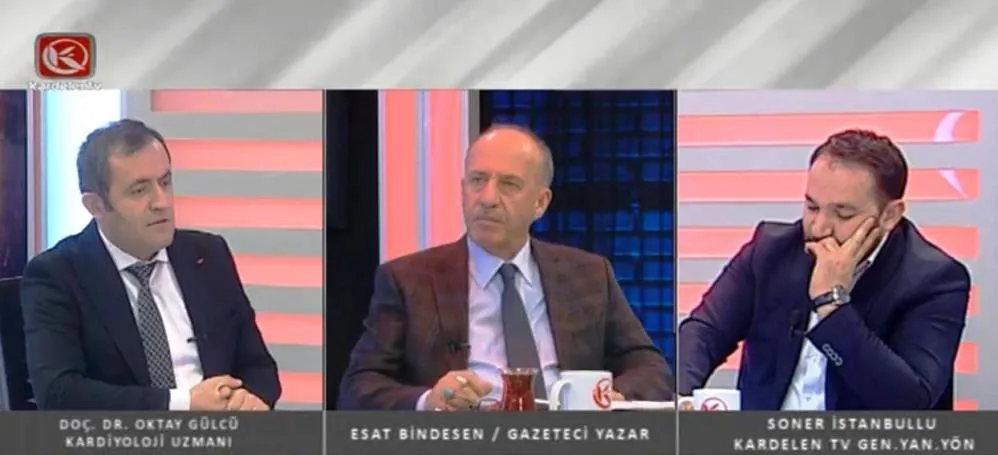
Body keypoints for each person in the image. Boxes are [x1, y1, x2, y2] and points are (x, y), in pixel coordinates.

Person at [339, 124, 673, 410]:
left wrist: (609, 398)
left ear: (540, 203)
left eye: (508, 184)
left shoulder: (589, 275)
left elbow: (651, 368)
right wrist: (429, 401)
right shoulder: (407, 280)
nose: (487, 198)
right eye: (477, 180)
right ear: (462, 189)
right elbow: (358, 387)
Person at [677, 129, 971, 410]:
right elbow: (705, 331)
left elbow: (909, 402)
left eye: (843, 214)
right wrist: (676, 396)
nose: (818, 228)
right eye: (812, 207)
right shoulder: (770, 252)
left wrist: (832, 306)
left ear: (890, 216)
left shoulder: (935, 281)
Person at [20, 119, 281, 410]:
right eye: (139, 190)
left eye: (165, 182)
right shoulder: (57, 274)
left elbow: (259, 367)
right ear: (96, 206)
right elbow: (59, 392)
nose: (161, 202)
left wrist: (251, 398)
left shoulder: (208, 254)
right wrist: (183, 404)